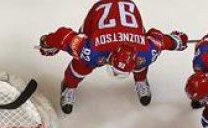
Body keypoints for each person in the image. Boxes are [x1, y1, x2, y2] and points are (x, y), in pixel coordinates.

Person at [38, 0, 188, 112]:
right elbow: (65, 37)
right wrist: (49, 41)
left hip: (125, 22)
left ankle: (140, 80)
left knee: (141, 63)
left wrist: (48, 43)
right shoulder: (92, 49)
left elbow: (159, 40)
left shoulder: (146, 52)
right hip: (98, 16)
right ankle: (68, 86)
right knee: (82, 64)